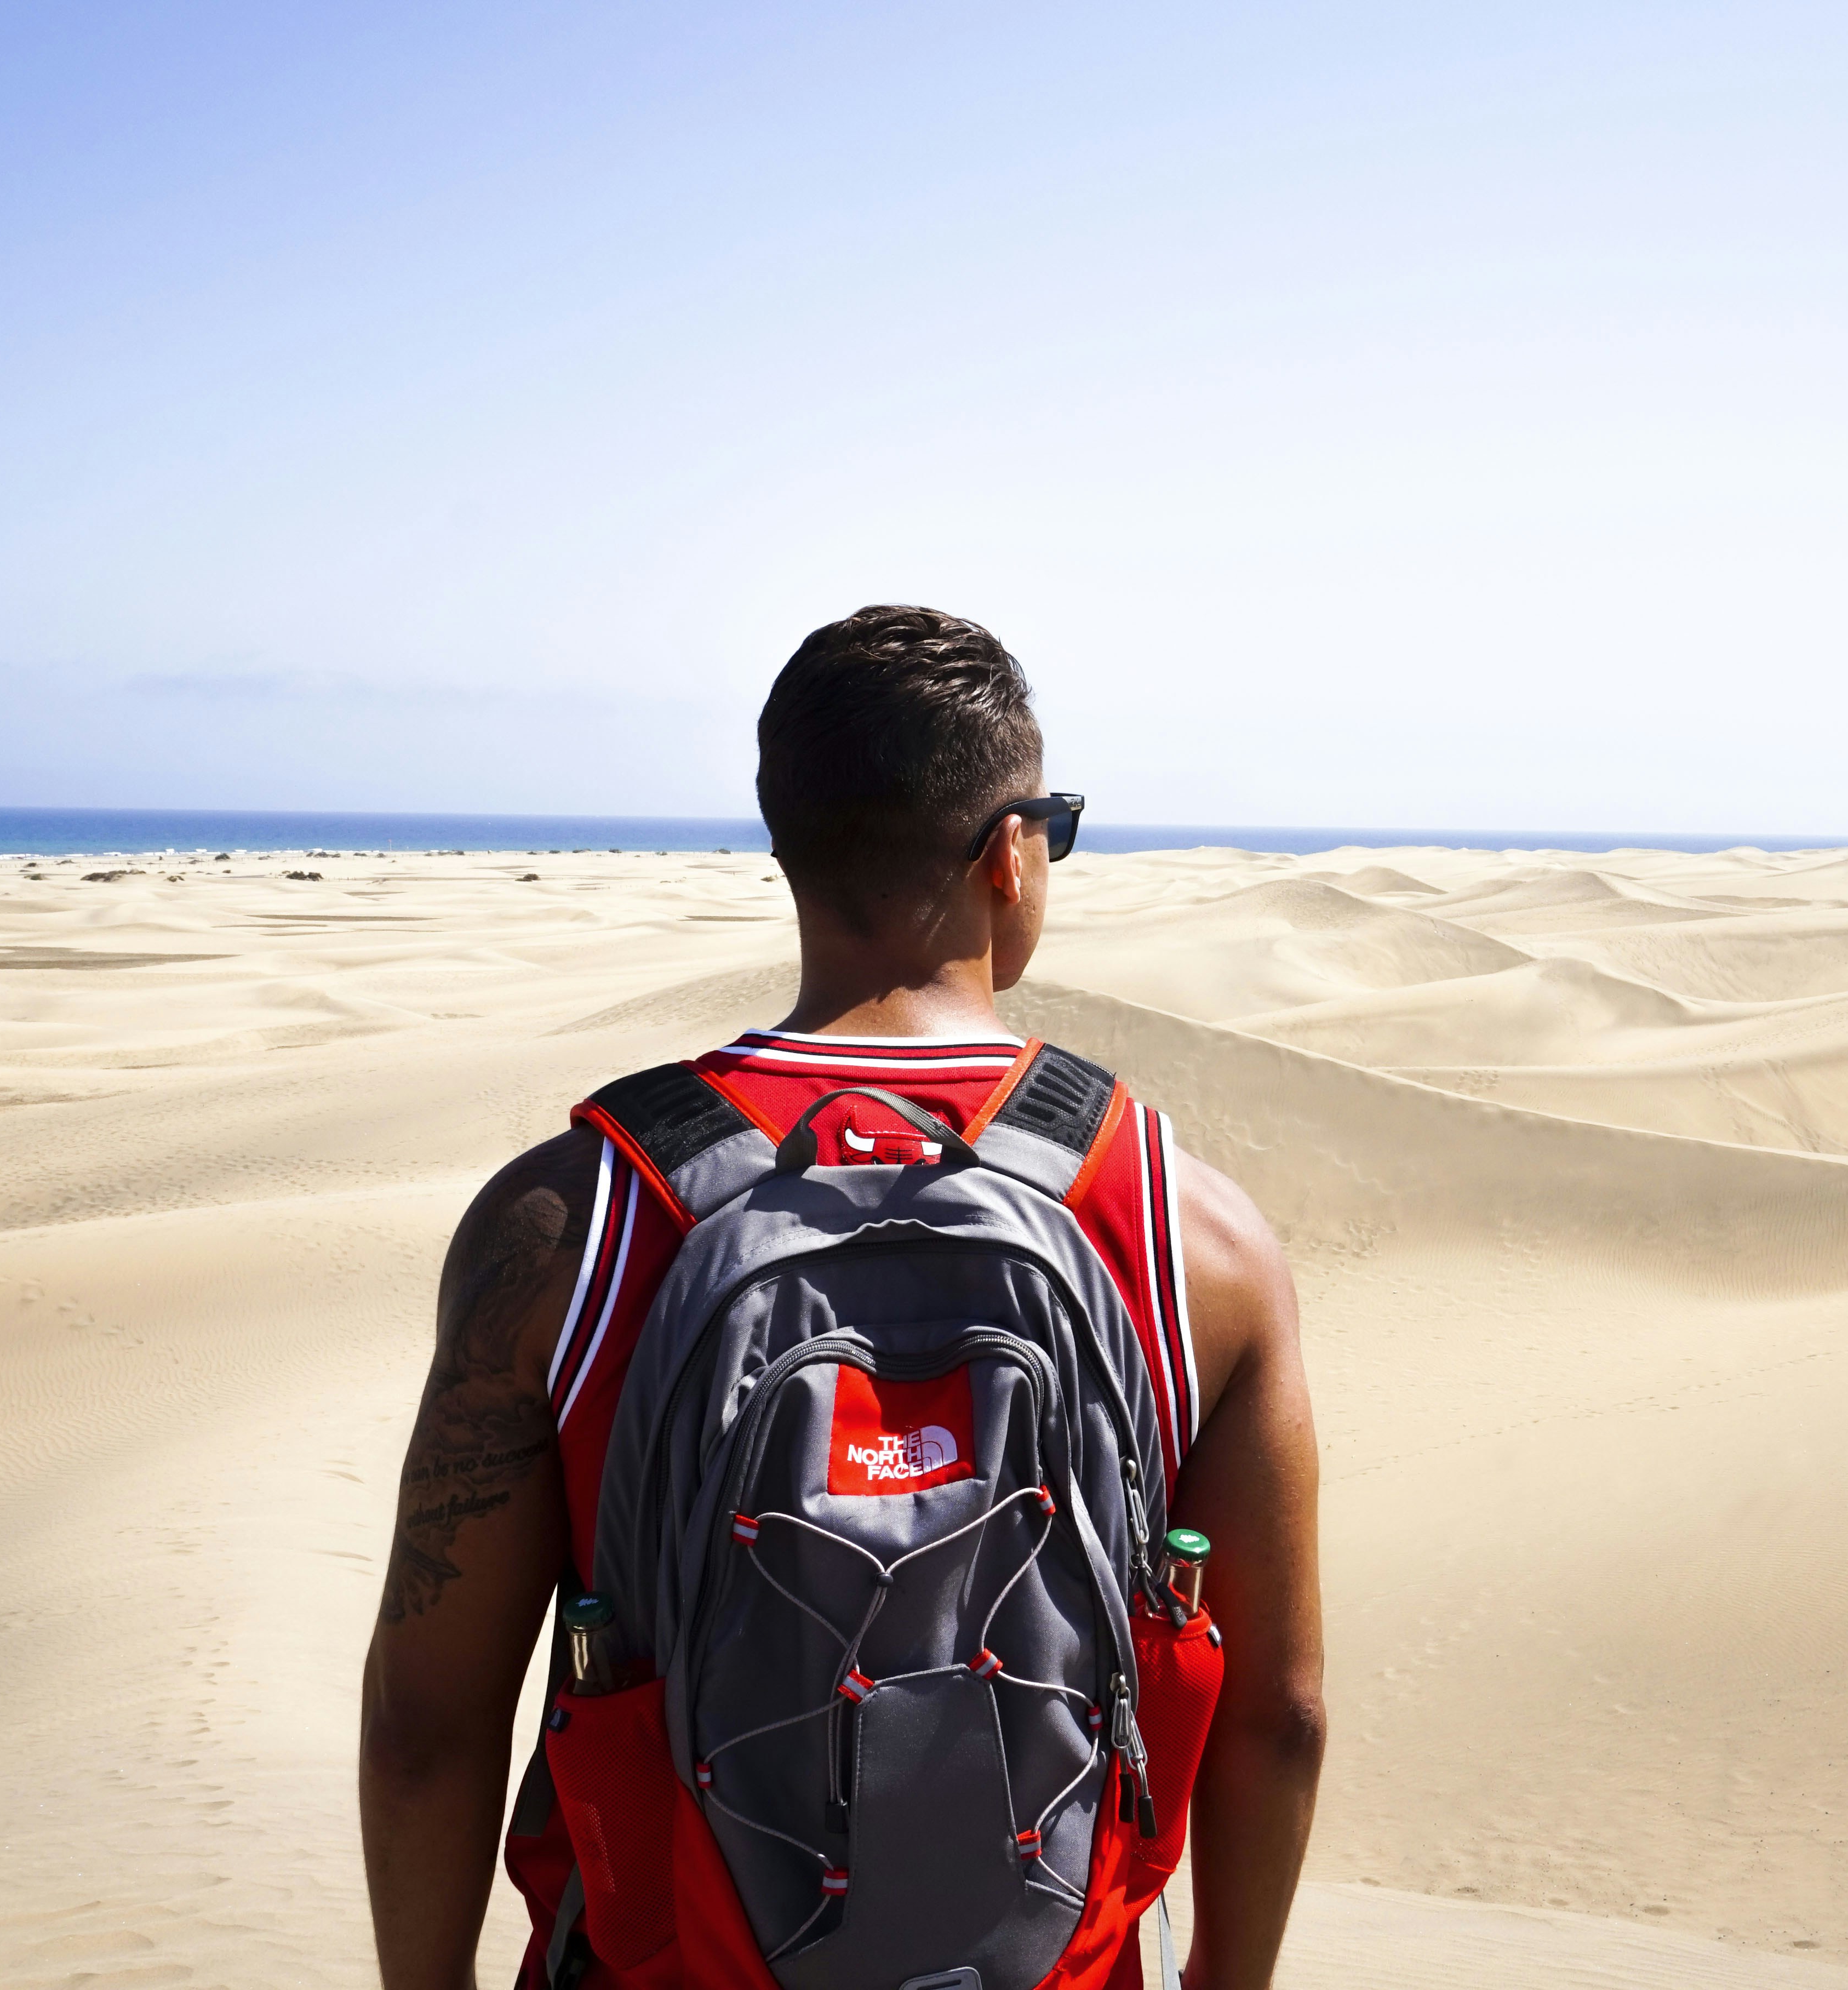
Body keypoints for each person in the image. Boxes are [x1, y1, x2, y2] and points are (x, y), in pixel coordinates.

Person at [359, 606, 1326, 1989]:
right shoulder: (1189, 1232)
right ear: (1009, 852)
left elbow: (426, 1726)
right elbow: (1279, 1716)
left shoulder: (573, 1221)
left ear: (788, 848)